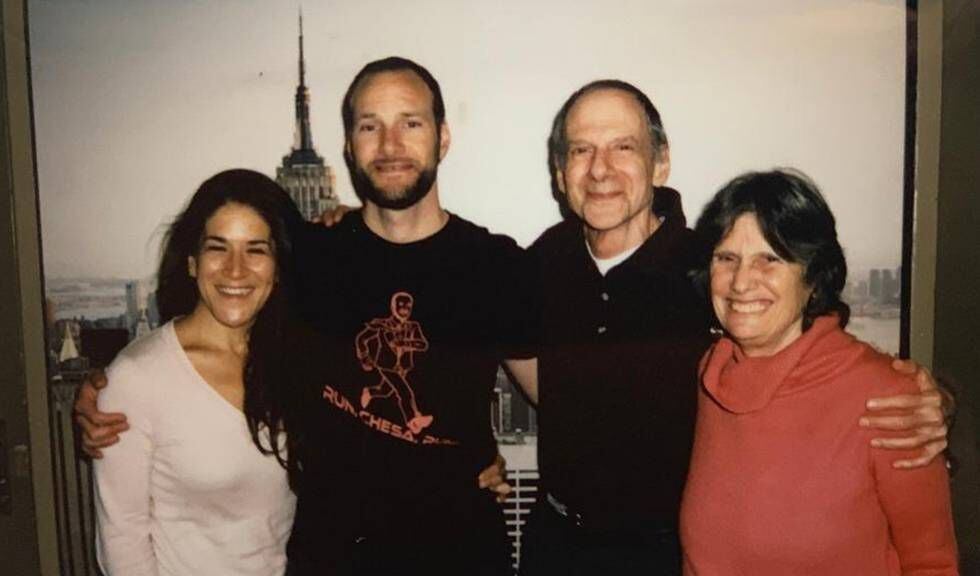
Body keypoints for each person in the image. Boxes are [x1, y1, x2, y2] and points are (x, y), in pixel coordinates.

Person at [79, 57, 536, 576]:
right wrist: (106, 389)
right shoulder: (308, 258)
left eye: (411, 122)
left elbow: (561, 399)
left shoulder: (496, 265)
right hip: (331, 558)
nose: (389, 145)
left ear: (443, 137)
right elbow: (211, 334)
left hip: (461, 557)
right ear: (349, 146)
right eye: (370, 126)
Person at [520, 81, 952, 575]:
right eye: (581, 150)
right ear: (560, 172)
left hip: (666, 554)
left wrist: (930, 398)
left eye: (623, 147)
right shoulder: (539, 265)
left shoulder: (710, 269)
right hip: (554, 545)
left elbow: (813, 342)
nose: (600, 169)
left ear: (660, 162)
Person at [680, 170, 957, 574]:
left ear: (813, 277)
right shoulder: (713, 375)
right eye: (726, 258)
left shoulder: (891, 400)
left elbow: (931, 563)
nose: (741, 281)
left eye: (769, 259)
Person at [93, 169, 302, 575]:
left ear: (278, 268)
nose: (235, 270)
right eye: (217, 248)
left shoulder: (295, 363)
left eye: (256, 250)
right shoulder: (139, 378)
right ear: (192, 262)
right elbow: (122, 543)